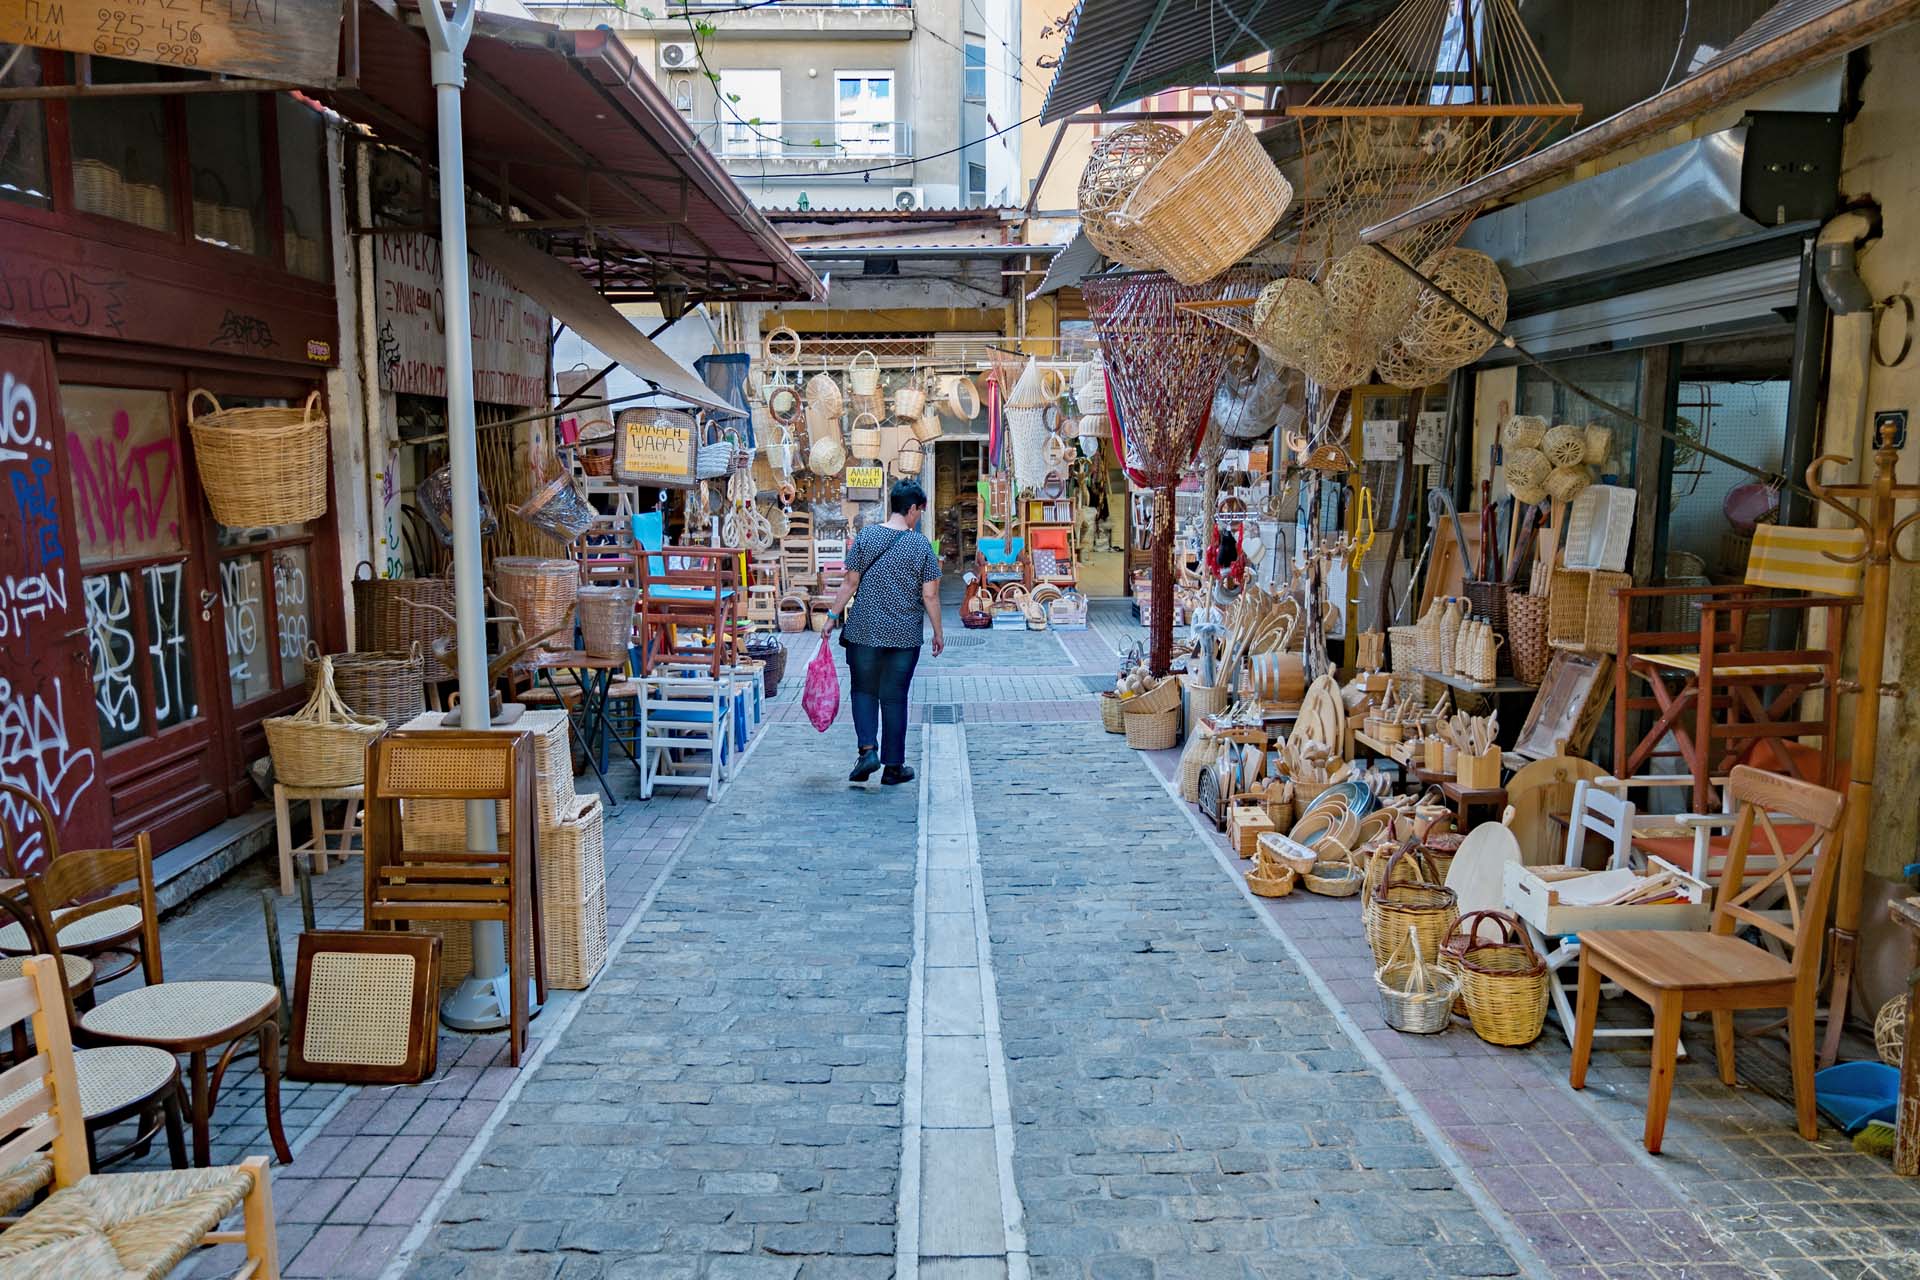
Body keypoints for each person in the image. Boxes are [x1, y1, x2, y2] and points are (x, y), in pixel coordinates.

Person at [826, 479, 944, 785]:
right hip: (904, 636)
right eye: (920, 510)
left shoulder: (866, 536)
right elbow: (930, 595)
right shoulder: (921, 546)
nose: (919, 516)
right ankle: (894, 768)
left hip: (864, 630)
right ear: (914, 508)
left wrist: (830, 616)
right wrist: (938, 632)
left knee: (864, 690)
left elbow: (849, 583)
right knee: (894, 697)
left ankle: (868, 751)